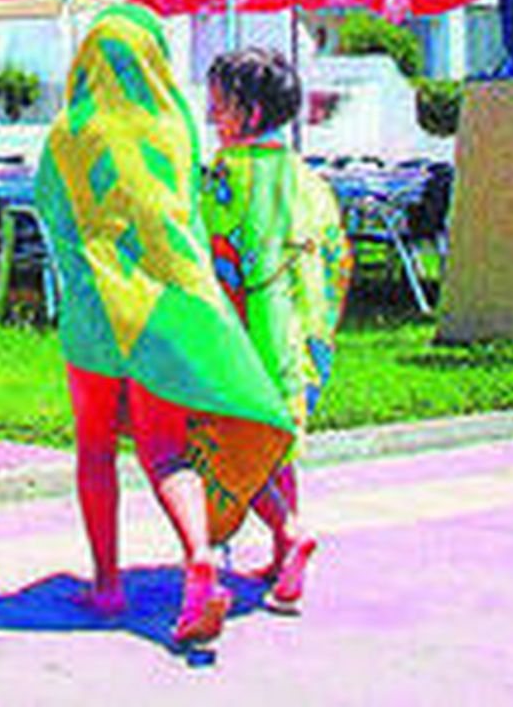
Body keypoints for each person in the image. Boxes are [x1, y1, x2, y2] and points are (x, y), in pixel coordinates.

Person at [33, 4, 293, 646]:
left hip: (96, 316)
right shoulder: (178, 127)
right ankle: (199, 557)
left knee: (96, 450)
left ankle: (106, 584)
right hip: (167, 314)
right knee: (164, 451)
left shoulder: (68, 132)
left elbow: (50, 212)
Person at [202, 47, 351, 615]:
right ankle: (285, 560)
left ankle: (290, 533)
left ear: (251, 112)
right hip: (302, 339)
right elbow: (338, 258)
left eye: (221, 104)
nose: (212, 113)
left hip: (243, 340)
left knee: (234, 450)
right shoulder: (311, 179)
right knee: (277, 446)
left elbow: (203, 252)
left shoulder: (223, 176)